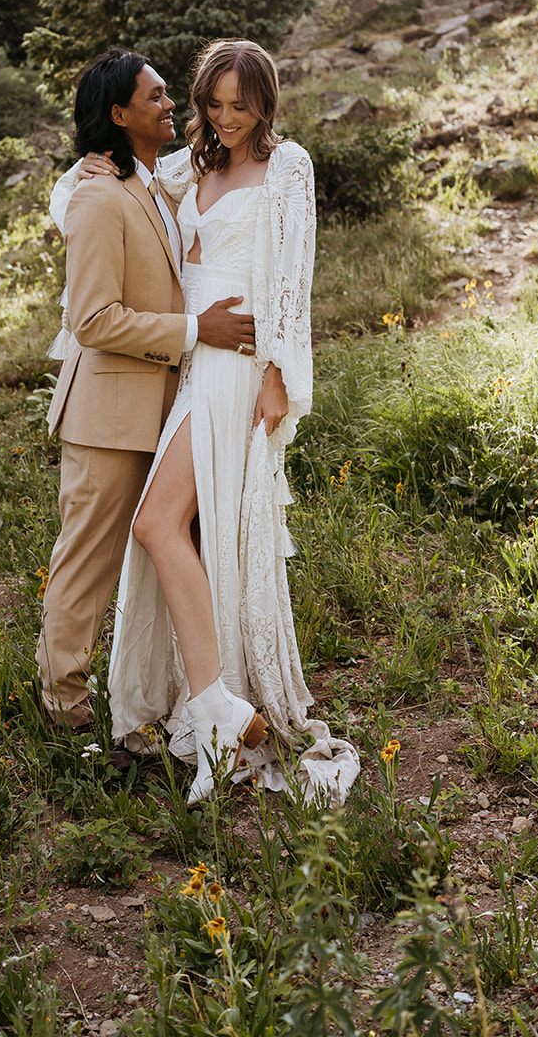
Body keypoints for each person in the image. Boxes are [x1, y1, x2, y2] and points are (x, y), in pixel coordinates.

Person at [53, 39, 359, 805]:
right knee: (178, 529)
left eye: (239, 105)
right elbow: (85, 196)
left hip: (239, 361)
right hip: (193, 360)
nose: (224, 118)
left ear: (265, 103)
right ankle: (213, 708)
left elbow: (294, 276)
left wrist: (281, 378)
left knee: (159, 524)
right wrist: (85, 166)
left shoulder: (286, 165)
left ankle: (217, 707)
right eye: (211, 104)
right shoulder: (191, 163)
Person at [36, 48, 258, 735]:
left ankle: (170, 694)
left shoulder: (146, 182)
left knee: (161, 548)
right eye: (157, 96)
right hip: (108, 416)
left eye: (169, 94)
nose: (172, 105)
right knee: (87, 561)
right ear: (119, 113)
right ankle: (64, 706)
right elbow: (93, 319)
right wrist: (200, 329)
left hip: (166, 407)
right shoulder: (101, 195)